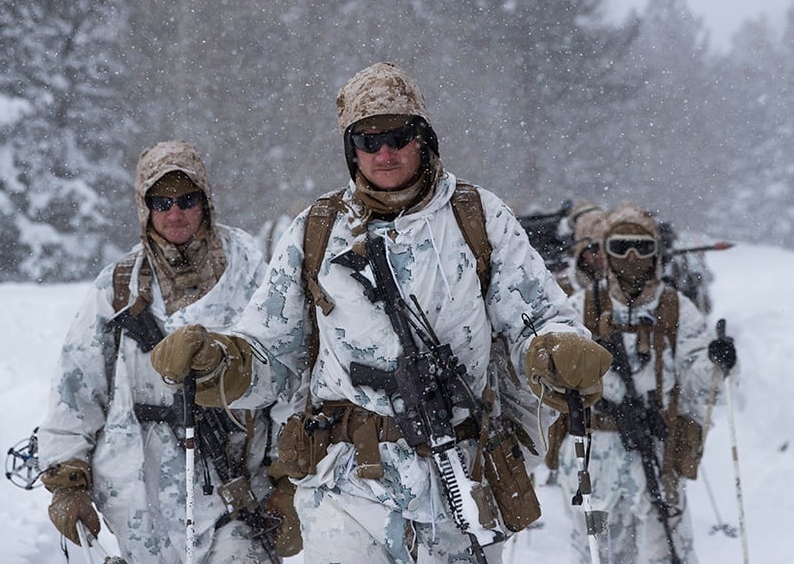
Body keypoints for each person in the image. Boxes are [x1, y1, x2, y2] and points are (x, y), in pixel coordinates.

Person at [150, 62, 612, 564]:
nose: (385, 153)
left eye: (398, 136)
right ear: (352, 151)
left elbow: (537, 317)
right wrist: (221, 359)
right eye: (368, 141)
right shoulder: (317, 231)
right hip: (346, 489)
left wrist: (558, 349)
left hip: (459, 481)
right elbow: (271, 350)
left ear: (425, 139)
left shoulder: (477, 217)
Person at [36, 141, 283, 564]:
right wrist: (67, 481)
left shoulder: (254, 278)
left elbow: (285, 375)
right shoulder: (117, 289)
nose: (175, 213)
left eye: (187, 199)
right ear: (144, 207)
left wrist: (288, 482)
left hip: (235, 497)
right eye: (161, 201)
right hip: (137, 507)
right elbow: (76, 387)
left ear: (205, 202)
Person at [550, 200, 736, 564]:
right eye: (620, 248)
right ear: (604, 251)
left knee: (666, 551)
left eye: (642, 248)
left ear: (656, 254)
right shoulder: (578, 307)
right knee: (599, 553)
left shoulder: (675, 307)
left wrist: (718, 363)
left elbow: (700, 377)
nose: (631, 257)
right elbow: (549, 378)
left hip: (656, 449)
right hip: (595, 461)